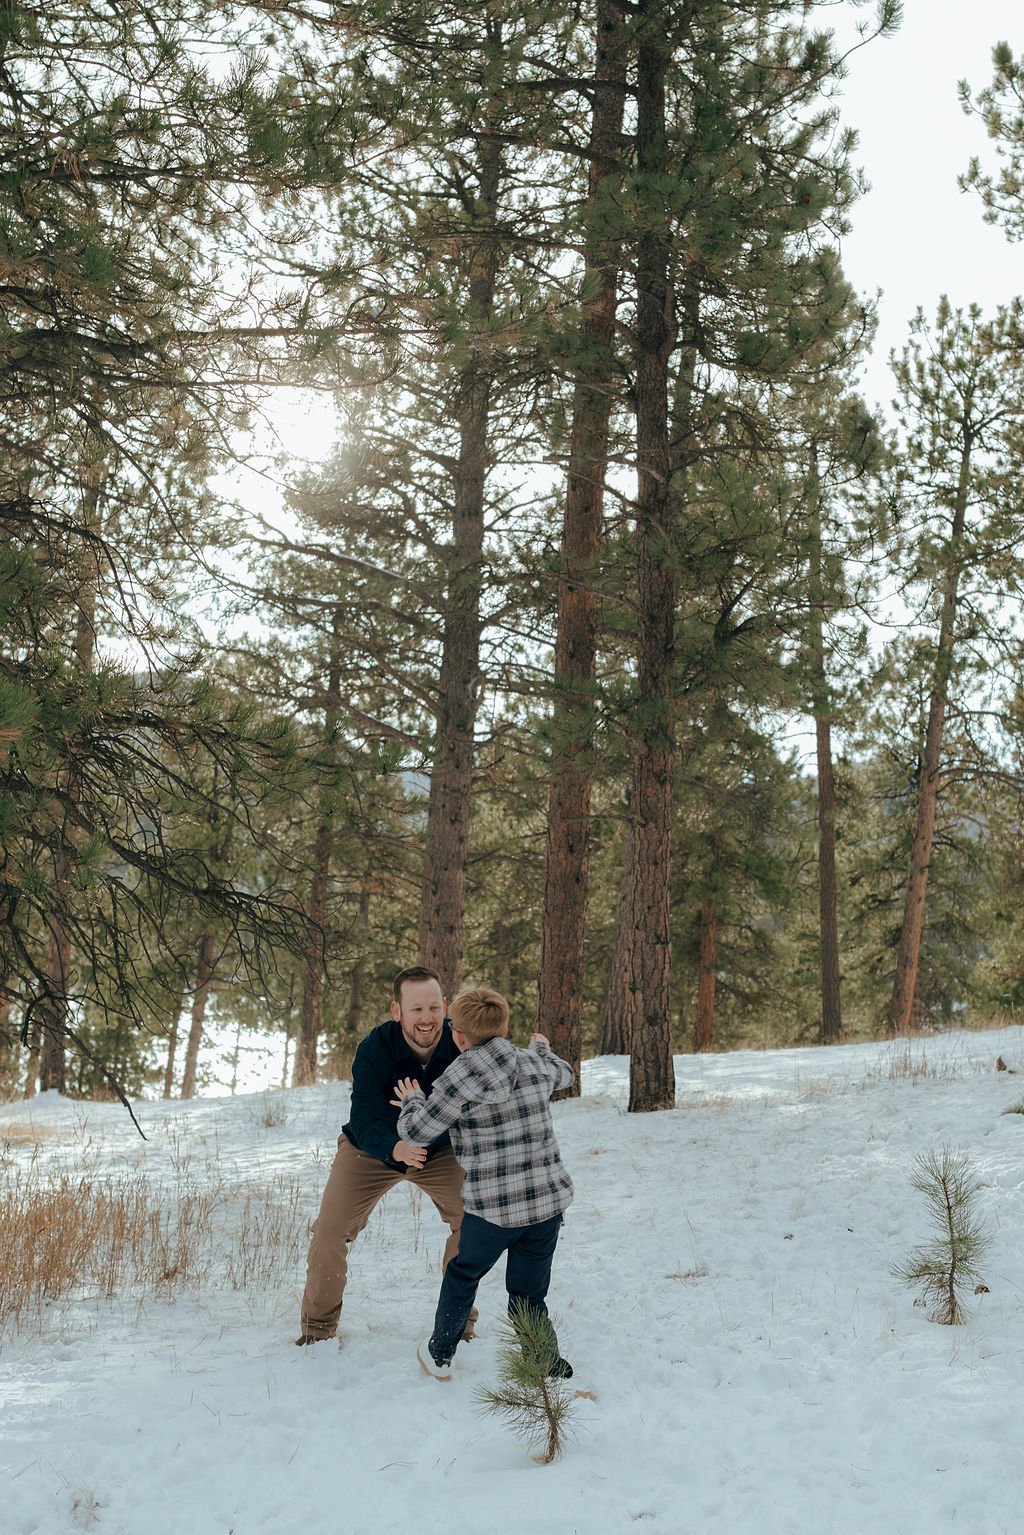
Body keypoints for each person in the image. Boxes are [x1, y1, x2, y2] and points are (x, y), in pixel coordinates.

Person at [392, 984, 575, 1380]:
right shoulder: (533, 1063)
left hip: (492, 1210)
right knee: (528, 1292)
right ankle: (544, 1360)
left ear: (458, 1035)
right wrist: (542, 1049)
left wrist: (411, 1100)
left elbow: (419, 1132)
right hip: (545, 1204)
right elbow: (565, 1074)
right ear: (504, 1028)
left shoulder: (458, 1079)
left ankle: (440, 1352)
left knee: (463, 1275)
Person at [297, 965, 476, 1345]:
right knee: (330, 1230)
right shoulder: (374, 1049)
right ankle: (317, 1331)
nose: (426, 1018)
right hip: (374, 1150)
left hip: (440, 1151)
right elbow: (363, 1117)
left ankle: (457, 1325)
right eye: (416, 1010)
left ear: (445, 1006)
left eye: (433, 1008)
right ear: (397, 1011)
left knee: (473, 1219)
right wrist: (396, 1147)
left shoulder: (463, 1044)